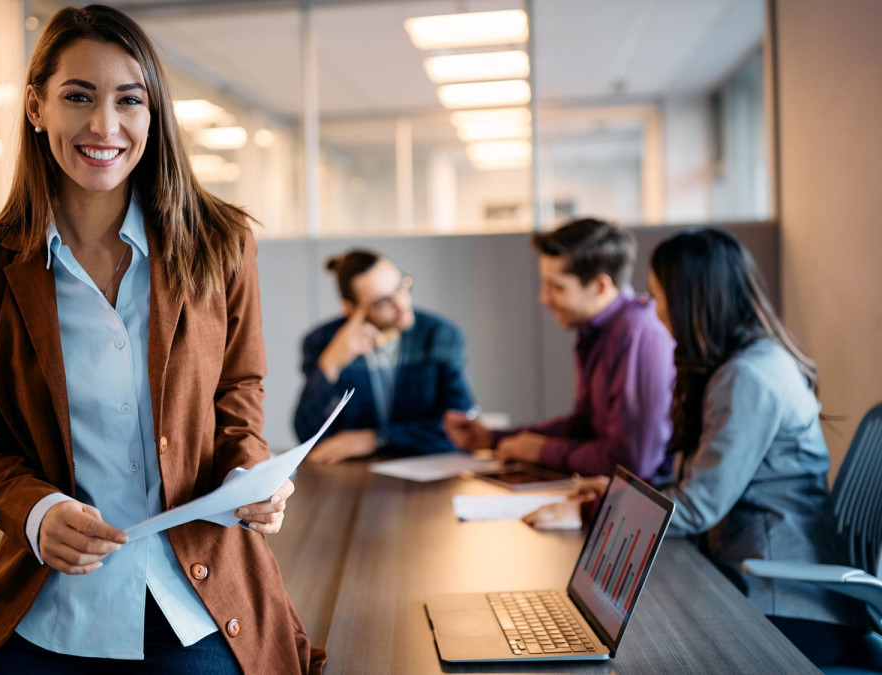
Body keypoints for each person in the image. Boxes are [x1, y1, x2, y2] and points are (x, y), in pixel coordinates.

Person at [0, 6, 323, 673]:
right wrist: (37, 511)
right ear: (35, 107)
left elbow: (238, 395)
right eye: (77, 96)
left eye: (128, 101)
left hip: (192, 595)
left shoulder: (221, 244)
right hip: (52, 605)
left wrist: (251, 470)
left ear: (153, 114)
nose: (104, 126)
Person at [522, 228, 866, 666]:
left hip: (787, 600)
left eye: (656, 294)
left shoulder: (749, 376)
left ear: (690, 300)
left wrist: (596, 512)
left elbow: (699, 506)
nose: (651, 307)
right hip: (750, 572)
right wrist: (614, 497)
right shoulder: (734, 365)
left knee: (642, 648)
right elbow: (698, 480)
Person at [444, 218, 674, 481]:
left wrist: (542, 451)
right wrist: (493, 438)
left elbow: (633, 463)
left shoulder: (639, 335)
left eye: (557, 287)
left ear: (600, 286)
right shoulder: (596, 329)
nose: (544, 298)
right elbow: (584, 426)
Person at [293, 250, 474, 464]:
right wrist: (330, 366)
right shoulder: (322, 341)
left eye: (400, 287)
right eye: (382, 302)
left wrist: (376, 439)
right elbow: (307, 434)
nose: (402, 304)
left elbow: (462, 429)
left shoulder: (440, 336)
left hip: (427, 470)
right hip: (351, 476)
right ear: (351, 310)